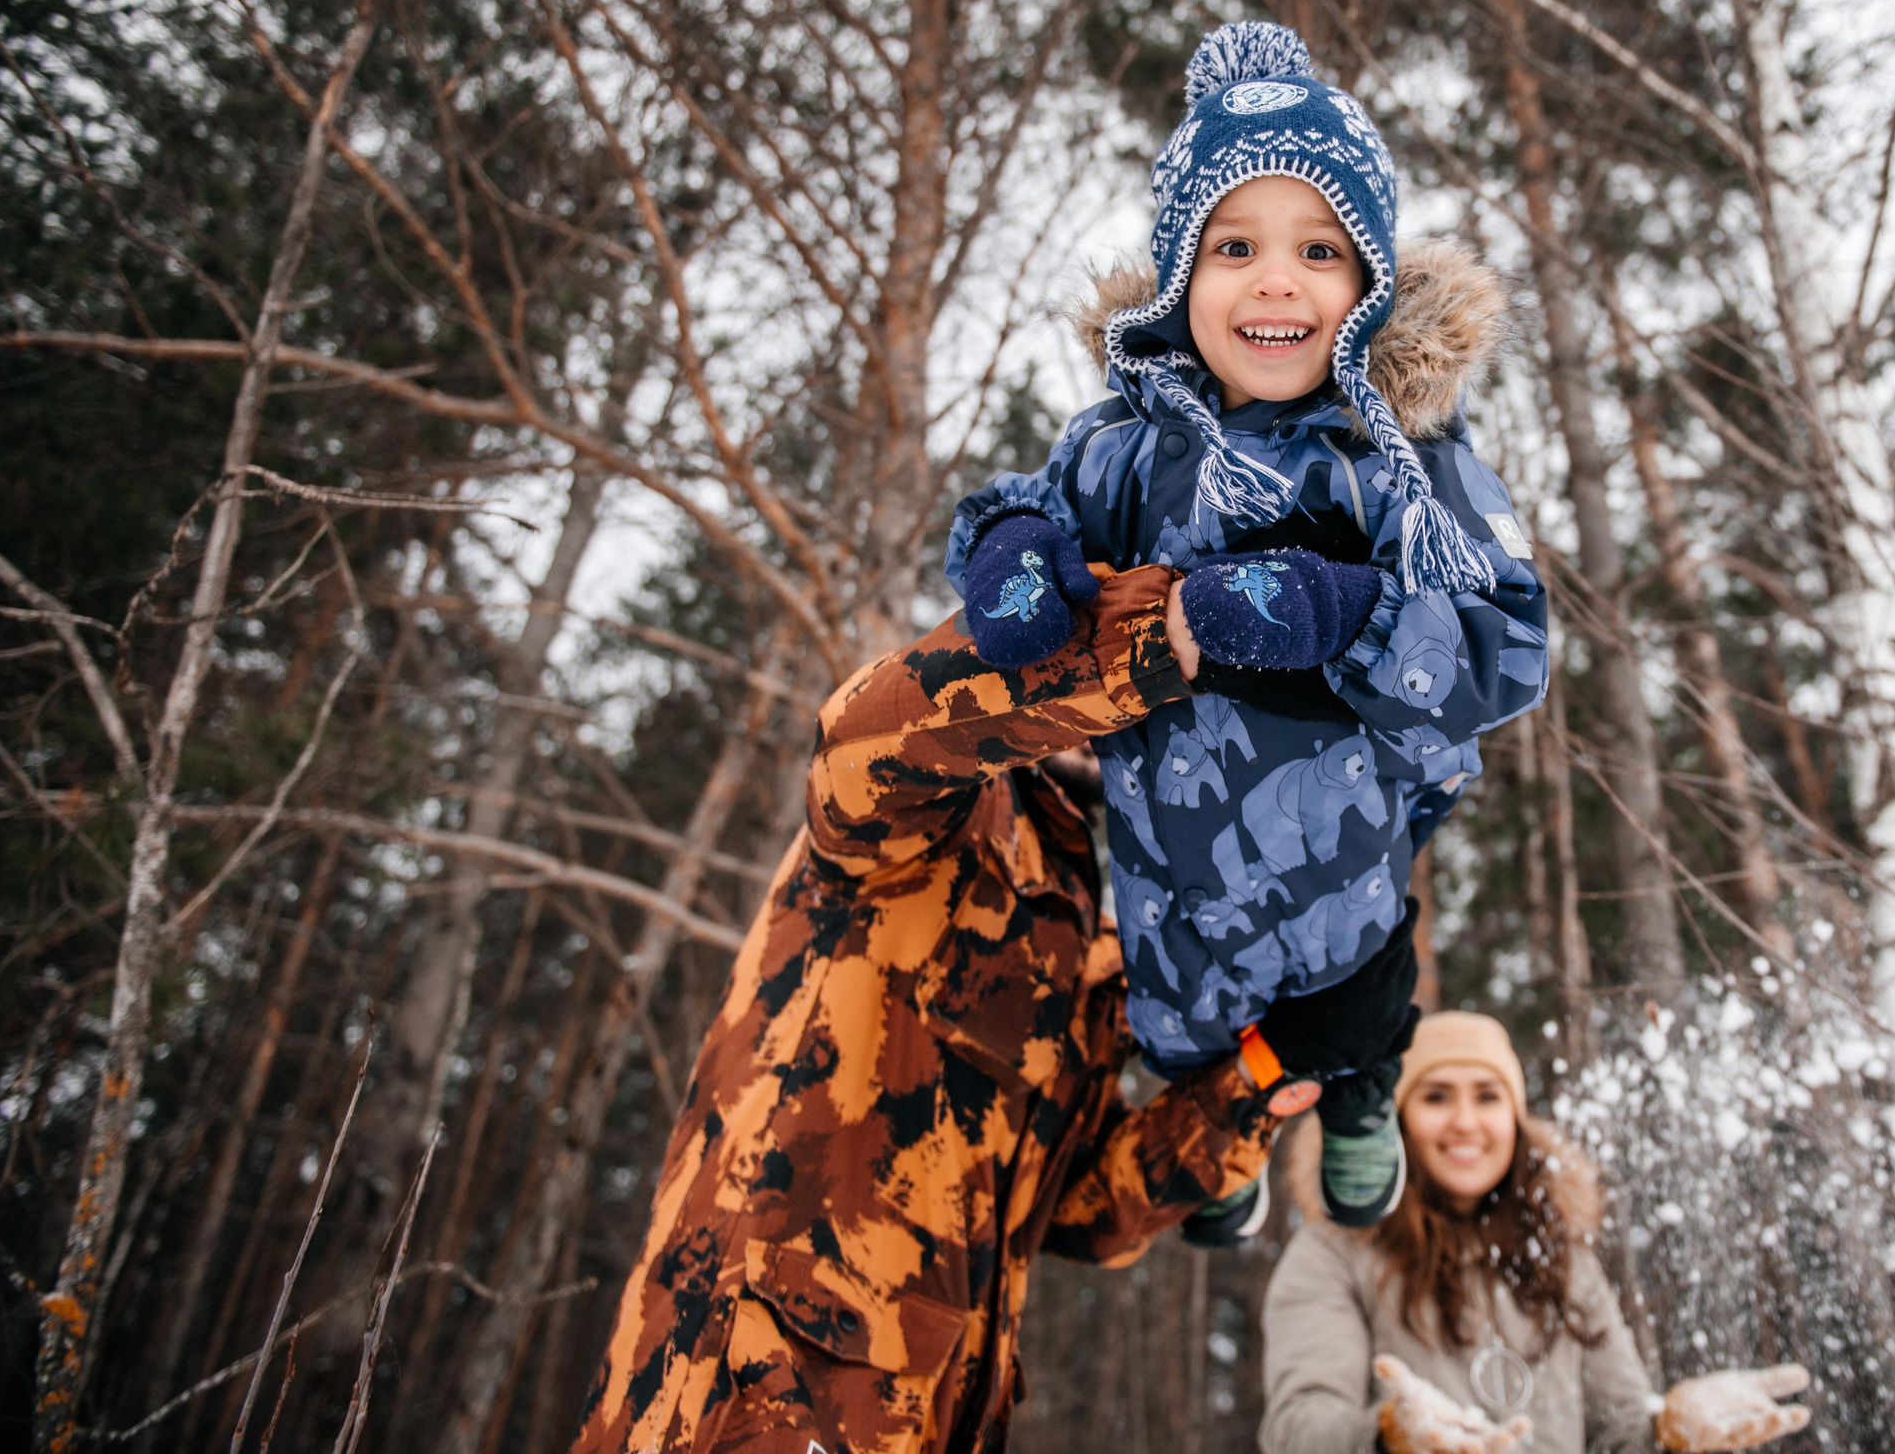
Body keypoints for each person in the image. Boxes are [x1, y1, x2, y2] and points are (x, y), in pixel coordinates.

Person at [569, 565, 1416, 1454]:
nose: (1122, 725)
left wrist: (1269, 1068)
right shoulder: (940, 815)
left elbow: (1085, 1208)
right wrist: (1142, 634)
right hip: (759, 1395)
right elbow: (861, 743)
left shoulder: (1091, 923)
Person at [945, 22, 1551, 1242]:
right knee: (1186, 1033)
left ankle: (1362, 1098)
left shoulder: (1406, 464)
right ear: (1180, 277)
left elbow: (1509, 648)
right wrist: (1012, 559)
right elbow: (1027, 508)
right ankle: (1220, 1144)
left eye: (1318, 250)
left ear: (1368, 282)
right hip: (1168, 877)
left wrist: (1334, 610)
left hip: (1344, 867)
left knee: (1354, 1014)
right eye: (1235, 246)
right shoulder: (1124, 447)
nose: (1276, 281)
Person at [1261, 1012, 1815, 1454]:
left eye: (1487, 1095)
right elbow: (1299, 1431)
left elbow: (1618, 1430)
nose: (1465, 1122)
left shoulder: (1562, 1257)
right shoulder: (1333, 1254)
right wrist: (1386, 1436)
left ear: (1517, 1119)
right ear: (1396, 1122)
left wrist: (1667, 1431)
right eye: (1435, 1097)